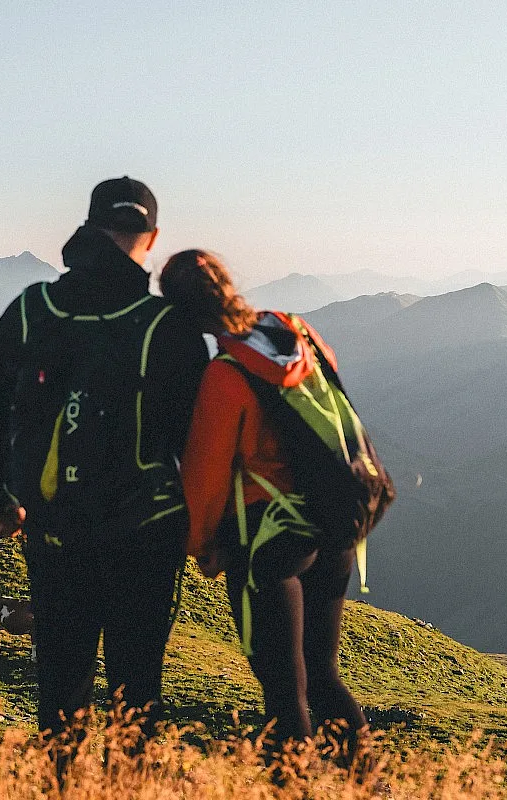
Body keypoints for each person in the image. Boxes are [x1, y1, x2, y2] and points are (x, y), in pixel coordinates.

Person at [0, 177, 209, 739]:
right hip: (146, 537)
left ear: (89, 227)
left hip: (55, 531)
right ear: (152, 238)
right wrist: (209, 533)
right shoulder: (167, 326)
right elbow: (195, 447)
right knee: (136, 692)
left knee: (61, 687)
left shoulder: (32, 309)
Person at [160, 249, 369, 760]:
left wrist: (202, 546)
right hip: (335, 523)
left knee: (283, 691)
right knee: (322, 675)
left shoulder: (225, 376)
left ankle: (296, 788)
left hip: (268, 543)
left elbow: (206, 478)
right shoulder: (300, 332)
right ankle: (368, 782)